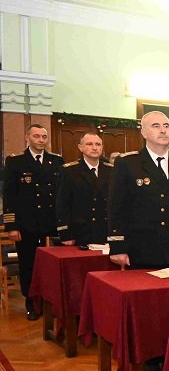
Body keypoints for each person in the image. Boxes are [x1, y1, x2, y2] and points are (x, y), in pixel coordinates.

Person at [107, 111, 169, 371]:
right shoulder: (128, 164)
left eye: (166, 125)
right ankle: (149, 355)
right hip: (143, 246)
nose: (162, 130)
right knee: (147, 308)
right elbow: (116, 207)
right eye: (156, 126)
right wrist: (118, 246)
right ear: (144, 132)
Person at [2, 123, 63, 320]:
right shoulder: (16, 162)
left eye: (44, 137)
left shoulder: (57, 161)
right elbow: (9, 196)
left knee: (52, 266)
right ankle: (32, 303)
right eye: (36, 136)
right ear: (27, 137)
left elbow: (62, 196)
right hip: (26, 225)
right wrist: (11, 226)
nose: (41, 140)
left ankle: (51, 303)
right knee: (28, 264)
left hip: (51, 225)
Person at [56, 132, 112, 246]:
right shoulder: (69, 171)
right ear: (80, 147)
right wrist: (65, 233)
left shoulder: (111, 170)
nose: (94, 148)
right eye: (89, 144)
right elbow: (62, 204)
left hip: (105, 231)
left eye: (98, 144)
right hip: (80, 232)